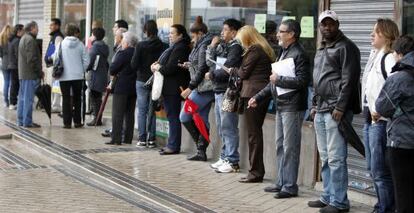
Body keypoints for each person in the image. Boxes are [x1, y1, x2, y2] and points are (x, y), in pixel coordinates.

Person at [250, 19, 310, 198]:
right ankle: (281, 182)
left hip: (293, 106)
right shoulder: (283, 52)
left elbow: (302, 81)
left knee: (290, 147)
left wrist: (279, 80)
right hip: (281, 105)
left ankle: (290, 186)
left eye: (281, 31)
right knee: (280, 145)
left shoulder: (299, 53)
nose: (277, 34)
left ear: (292, 34)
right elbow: (272, 82)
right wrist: (258, 97)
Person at [308, 10, 361, 213]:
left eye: (331, 24)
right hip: (320, 108)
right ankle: (328, 196)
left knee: (337, 157)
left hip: (335, 110)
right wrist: (313, 104)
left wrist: (340, 106)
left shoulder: (346, 47)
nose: (327, 27)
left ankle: (339, 202)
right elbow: (317, 79)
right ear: (319, 27)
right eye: (323, 24)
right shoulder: (322, 48)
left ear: (337, 25)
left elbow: (350, 80)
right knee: (326, 156)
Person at [361, 18, 398, 213]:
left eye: (375, 32)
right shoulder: (375, 55)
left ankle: (386, 208)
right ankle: (380, 205)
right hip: (370, 118)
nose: (371, 35)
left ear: (386, 35)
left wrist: (382, 112)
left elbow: (395, 89)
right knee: (372, 167)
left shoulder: (389, 58)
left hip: (381, 121)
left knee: (380, 170)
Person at [233, 25, 276, 183]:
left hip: (253, 95)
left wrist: (232, 71)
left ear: (247, 38)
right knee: (254, 134)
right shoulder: (262, 49)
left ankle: (255, 172)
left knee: (254, 135)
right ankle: (256, 171)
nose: (241, 43)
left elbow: (244, 73)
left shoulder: (255, 50)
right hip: (257, 94)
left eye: (241, 39)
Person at [376, 35, 414, 213]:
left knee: (403, 194)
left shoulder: (400, 78)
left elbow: (382, 107)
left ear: (399, 54)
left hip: (402, 143)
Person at [206, 18, 243, 173]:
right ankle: (224, 156)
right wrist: (213, 46)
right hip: (218, 90)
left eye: (226, 30)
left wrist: (213, 74)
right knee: (222, 127)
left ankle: (232, 160)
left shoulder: (235, 48)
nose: (222, 33)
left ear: (234, 32)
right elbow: (211, 63)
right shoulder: (223, 46)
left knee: (229, 127)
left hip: (228, 92)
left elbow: (227, 68)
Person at [151, 24, 191, 155]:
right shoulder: (173, 47)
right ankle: (171, 144)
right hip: (170, 87)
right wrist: (157, 65)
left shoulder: (180, 48)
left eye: (172, 33)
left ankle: (173, 146)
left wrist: (158, 68)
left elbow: (170, 68)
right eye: (169, 33)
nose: (169, 35)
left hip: (174, 88)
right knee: (171, 116)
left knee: (173, 117)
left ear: (180, 35)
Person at [179, 16, 214, 161]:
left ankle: (200, 147)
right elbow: (199, 66)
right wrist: (188, 65)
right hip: (202, 88)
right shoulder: (201, 44)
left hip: (202, 89)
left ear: (200, 33)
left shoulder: (204, 45)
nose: (192, 38)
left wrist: (190, 87)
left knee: (184, 116)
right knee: (203, 119)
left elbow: (202, 69)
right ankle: (201, 151)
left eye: (193, 35)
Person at [131, 20, 167, 148]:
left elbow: (133, 65)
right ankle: (151, 139)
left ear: (146, 31)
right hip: (156, 81)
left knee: (142, 110)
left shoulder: (140, 45)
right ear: (156, 30)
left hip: (141, 80)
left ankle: (141, 139)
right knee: (152, 110)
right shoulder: (164, 46)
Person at [105, 31, 138, 145]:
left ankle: (116, 139)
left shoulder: (123, 53)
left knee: (117, 114)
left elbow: (113, 69)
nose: (122, 42)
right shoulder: (137, 53)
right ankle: (128, 138)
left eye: (123, 40)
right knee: (130, 114)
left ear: (127, 43)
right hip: (133, 87)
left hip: (121, 87)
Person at [56, 24, 89, 129]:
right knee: (77, 99)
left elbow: (56, 58)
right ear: (75, 32)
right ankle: (77, 122)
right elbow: (87, 60)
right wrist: (81, 69)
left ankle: (67, 123)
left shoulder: (61, 44)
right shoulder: (80, 45)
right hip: (78, 76)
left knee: (66, 99)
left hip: (64, 76)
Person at [102, 20, 128, 138]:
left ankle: (119, 132)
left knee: (119, 110)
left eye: (115, 28)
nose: (113, 29)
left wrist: (112, 78)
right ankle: (116, 129)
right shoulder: (117, 46)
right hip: (118, 81)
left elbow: (116, 66)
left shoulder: (123, 49)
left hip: (121, 82)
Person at [17, 21, 43, 128]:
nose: (38, 30)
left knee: (23, 98)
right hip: (29, 74)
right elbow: (32, 59)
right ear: (32, 28)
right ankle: (27, 122)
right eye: (37, 28)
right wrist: (39, 72)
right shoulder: (30, 40)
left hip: (23, 74)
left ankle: (21, 120)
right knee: (28, 99)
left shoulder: (24, 38)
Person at [86, 27, 109, 126]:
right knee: (98, 97)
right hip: (102, 74)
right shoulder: (105, 47)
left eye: (91, 35)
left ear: (94, 36)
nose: (90, 37)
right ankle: (98, 118)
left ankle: (96, 118)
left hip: (95, 75)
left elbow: (90, 60)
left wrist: (86, 68)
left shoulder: (95, 47)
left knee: (94, 97)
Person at [45, 18, 64, 114]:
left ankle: (56, 105)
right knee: (51, 87)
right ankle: (53, 104)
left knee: (55, 87)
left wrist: (50, 59)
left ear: (57, 26)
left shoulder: (58, 37)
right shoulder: (53, 37)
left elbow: (58, 53)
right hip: (50, 66)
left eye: (52, 25)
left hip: (54, 66)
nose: (50, 27)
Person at [7, 24, 24, 110]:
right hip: (16, 66)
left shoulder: (11, 40)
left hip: (11, 65)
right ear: (18, 31)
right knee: (15, 85)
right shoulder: (17, 41)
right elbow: (18, 55)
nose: (23, 32)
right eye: (22, 31)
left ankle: (12, 102)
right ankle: (13, 102)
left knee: (13, 84)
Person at [0, 25, 12, 107]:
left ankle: (5, 101)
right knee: (11, 82)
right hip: (12, 63)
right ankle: (11, 100)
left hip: (4, 62)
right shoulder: (12, 39)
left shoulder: (1, 39)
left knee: (6, 82)